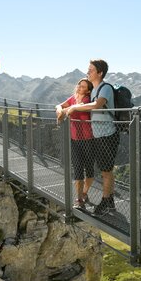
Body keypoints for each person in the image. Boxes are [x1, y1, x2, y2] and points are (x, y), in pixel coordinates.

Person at [63, 59, 119, 216]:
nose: (88, 72)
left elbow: (97, 105)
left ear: (100, 73)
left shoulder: (105, 88)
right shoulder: (94, 89)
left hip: (108, 135)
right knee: (105, 170)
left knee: (106, 171)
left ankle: (106, 201)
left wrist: (74, 107)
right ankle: (110, 201)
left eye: (91, 70)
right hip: (98, 136)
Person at [55, 78, 95, 210]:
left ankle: (84, 193)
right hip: (74, 139)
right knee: (77, 169)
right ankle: (79, 199)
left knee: (89, 170)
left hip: (88, 140)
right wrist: (60, 109)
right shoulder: (73, 98)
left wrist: (65, 111)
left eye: (83, 86)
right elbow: (59, 105)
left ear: (88, 90)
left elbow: (75, 109)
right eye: (79, 85)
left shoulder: (87, 101)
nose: (79, 87)